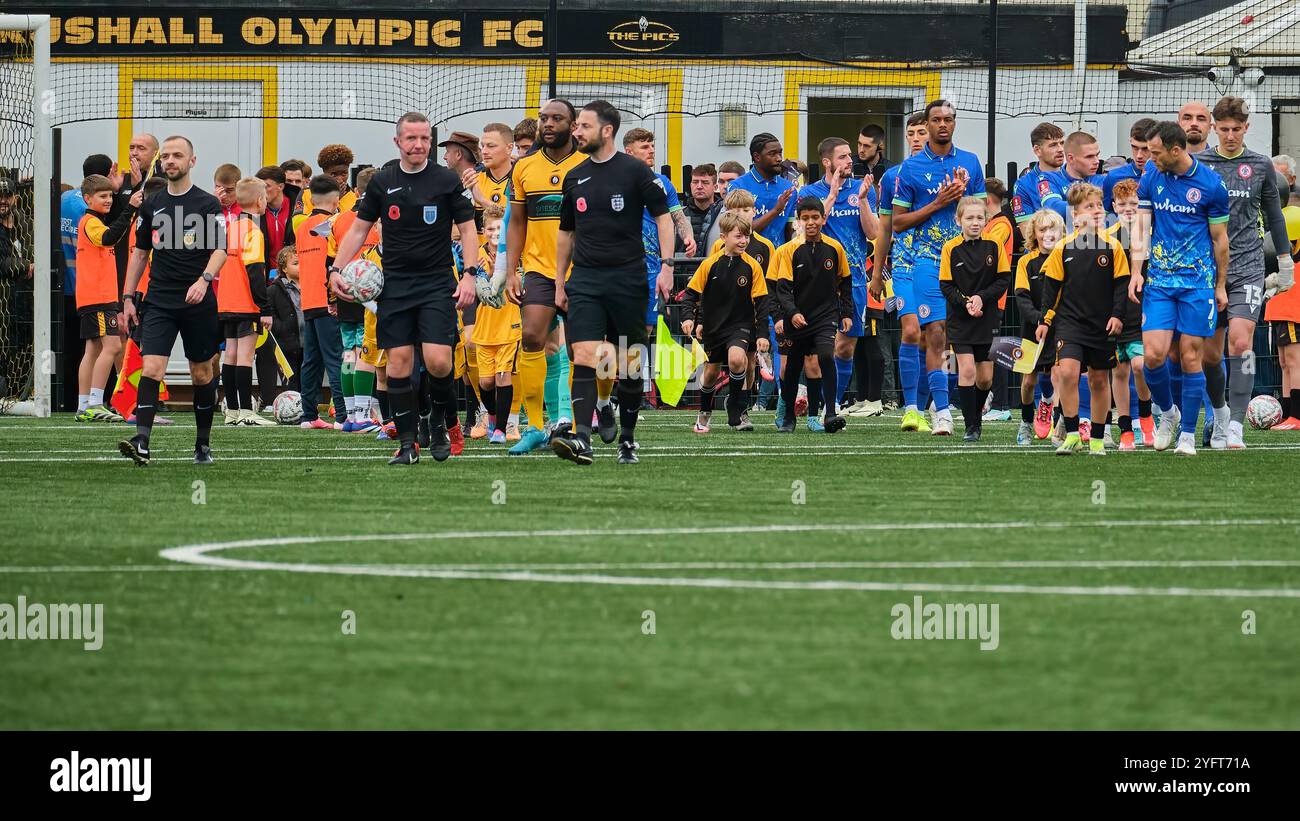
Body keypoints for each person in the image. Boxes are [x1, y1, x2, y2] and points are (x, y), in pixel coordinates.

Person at [330, 111, 479, 465]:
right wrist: (336, 268)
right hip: (394, 285)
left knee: (439, 362)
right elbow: (358, 230)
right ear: (398, 142)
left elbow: (470, 230)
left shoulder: (446, 180)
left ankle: (440, 421)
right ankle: (408, 444)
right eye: (411, 138)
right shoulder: (383, 182)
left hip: (436, 283)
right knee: (398, 364)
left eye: (425, 138)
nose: (419, 144)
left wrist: (470, 274)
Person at [549, 100, 672, 465]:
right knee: (585, 356)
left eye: (583, 126)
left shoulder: (635, 172)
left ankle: (628, 439)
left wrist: (666, 265)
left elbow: (663, 218)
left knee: (629, 362)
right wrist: (559, 280)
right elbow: (565, 233)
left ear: (606, 130)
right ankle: (582, 439)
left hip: (628, 279)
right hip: (585, 279)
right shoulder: (575, 176)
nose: (576, 131)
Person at [118, 135, 227, 466]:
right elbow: (139, 254)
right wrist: (128, 296)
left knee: (201, 375)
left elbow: (220, 250)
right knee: (152, 367)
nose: (170, 161)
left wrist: (204, 280)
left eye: (177, 155)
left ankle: (203, 445)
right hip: (160, 300)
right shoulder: (151, 204)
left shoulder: (208, 204)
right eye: (165, 156)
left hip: (197, 300)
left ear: (192, 161)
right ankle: (142, 442)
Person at [1195, 95, 1293, 450]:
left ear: (1246, 128)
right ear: (1214, 128)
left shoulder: (1261, 165)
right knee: (1209, 353)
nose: (1230, 135)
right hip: (1207, 270)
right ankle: (1219, 412)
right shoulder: (1198, 164)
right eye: (1224, 129)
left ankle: (1236, 424)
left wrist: (1285, 261)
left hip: (1249, 266)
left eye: (1237, 129)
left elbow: (1274, 214)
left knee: (1241, 342)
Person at [1131, 120, 1231, 456]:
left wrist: (1220, 286)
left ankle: (1187, 435)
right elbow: (1141, 229)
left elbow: (1220, 241)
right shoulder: (1150, 177)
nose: (1149, 157)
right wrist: (1136, 272)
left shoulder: (1211, 186)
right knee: (1153, 357)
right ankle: (1169, 414)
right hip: (1159, 281)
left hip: (1197, 284)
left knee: (1192, 356)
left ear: (1176, 150)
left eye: (1155, 152)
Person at [887, 99, 986, 436]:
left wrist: (962, 199)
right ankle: (933, 411)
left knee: (943, 338)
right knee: (931, 332)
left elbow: (980, 215)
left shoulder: (970, 163)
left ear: (954, 123)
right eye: (936, 120)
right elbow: (898, 222)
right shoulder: (910, 169)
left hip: (961, 262)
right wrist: (938, 202)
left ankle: (936, 409)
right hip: (923, 261)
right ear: (926, 125)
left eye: (949, 119)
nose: (943, 125)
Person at [504, 99, 587, 454]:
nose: (548, 124)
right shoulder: (524, 167)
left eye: (557, 119)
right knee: (533, 336)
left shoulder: (587, 165)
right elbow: (517, 221)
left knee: (581, 349)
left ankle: (573, 419)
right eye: (544, 119)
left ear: (573, 125)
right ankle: (536, 425)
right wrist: (511, 270)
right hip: (538, 268)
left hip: (582, 268)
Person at [1036, 183, 1131, 455]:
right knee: (1067, 373)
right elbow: (1051, 288)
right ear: (1075, 216)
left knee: (1099, 380)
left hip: (1101, 325)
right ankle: (1074, 432)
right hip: (1069, 324)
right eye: (1090, 206)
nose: (1098, 211)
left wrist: (1117, 316)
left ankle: (1098, 438)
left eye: (1100, 205)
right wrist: (1045, 321)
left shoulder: (1114, 247)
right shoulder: (1063, 248)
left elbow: (1121, 287)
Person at [799, 136, 879, 413]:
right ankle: (817, 402)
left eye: (849, 156)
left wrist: (865, 201)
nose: (850, 161)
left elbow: (874, 234)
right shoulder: (809, 194)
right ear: (827, 162)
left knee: (845, 347)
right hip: (817, 282)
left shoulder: (862, 189)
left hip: (854, 280)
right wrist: (831, 195)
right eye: (843, 157)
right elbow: (806, 233)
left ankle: (830, 404)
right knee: (821, 347)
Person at [681, 211, 769, 432]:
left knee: (738, 360)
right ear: (723, 237)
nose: (744, 241)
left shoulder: (752, 266)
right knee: (710, 373)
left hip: (740, 326)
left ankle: (736, 408)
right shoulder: (710, 264)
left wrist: (762, 334)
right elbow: (691, 294)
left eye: (746, 237)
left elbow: (762, 303)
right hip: (714, 327)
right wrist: (688, 319)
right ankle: (705, 413)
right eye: (738, 236)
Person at [771, 196, 853, 434]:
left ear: (824, 218)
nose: (810, 222)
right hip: (797, 319)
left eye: (815, 217)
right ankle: (788, 417)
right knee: (793, 367)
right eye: (805, 218)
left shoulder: (835, 248)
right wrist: (792, 313)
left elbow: (846, 282)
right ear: (798, 221)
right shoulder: (790, 251)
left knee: (826, 357)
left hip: (825, 317)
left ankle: (829, 414)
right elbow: (783, 289)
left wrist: (846, 313)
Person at [870, 112, 929, 423]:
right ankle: (911, 410)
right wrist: (877, 274)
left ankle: (928, 404)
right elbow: (885, 229)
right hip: (905, 264)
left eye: (922, 131)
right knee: (910, 330)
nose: (917, 138)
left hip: (938, 266)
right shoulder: (892, 176)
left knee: (932, 338)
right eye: (912, 133)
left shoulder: (950, 172)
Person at [939, 196, 1010, 441]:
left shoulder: (994, 246)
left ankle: (976, 416)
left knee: (985, 378)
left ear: (986, 219)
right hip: (960, 320)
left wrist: (981, 298)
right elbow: (946, 285)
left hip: (987, 318)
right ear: (958, 220)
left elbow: (1003, 280)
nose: (975, 222)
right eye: (969, 218)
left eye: (980, 217)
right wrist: (965, 302)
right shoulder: (950, 248)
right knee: (966, 369)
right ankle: (971, 427)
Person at [73, 174, 139, 421]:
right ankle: (95, 402)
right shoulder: (90, 222)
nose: (108, 200)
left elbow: (112, 232)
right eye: (103, 196)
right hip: (98, 296)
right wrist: (131, 207)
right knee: (112, 347)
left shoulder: (95, 221)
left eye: (110, 195)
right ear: (88, 198)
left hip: (95, 296)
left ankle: (83, 405)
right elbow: (109, 237)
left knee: (93, 349)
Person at [216, 177, 275, 426]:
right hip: (245, 303)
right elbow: (255, 271)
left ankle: (232, 410)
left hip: (226, 302)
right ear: (260, 201)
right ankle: (245, 412)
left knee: (230, 354)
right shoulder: (253, 231)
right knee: (245, 356)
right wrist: (265, 307)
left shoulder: (232, 227)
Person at [328, 166, 381, 433]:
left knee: (349, 351)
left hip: (345, 288)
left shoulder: (339, 220)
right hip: (370, 291)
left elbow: (331, 257)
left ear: (357, 191)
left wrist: (333, 292)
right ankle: (362, 414)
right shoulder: (378, 218)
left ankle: (349, 414)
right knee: (365, 351)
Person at [292, 174, 345, 430]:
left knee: (311, 360)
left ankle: (308, 415)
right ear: (336, 201)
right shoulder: (334, 224)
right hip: (328, 299)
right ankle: (345, 416)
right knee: (336, 357)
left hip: (309, 299)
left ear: (311, 200)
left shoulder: (302, 227)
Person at [1106, 179, 1155, 450]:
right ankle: (1125, 428)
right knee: (1119, 371)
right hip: (1115, 312)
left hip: (1143, 311)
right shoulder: (1107, 238)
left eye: (1134, 204)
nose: (1128, 209)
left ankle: (1146, 418)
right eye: (1123, 204)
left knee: (1140, 365)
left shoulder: (1149, 232)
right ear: (1113, 206)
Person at [472, 205, 525, 444]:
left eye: (500, 229)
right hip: (484, 328)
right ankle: (491, 417)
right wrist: (485, 276)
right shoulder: (476, 257)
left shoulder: (515, 254)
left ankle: (502, 429)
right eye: (491, 229)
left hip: (509, 326)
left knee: (504, 376)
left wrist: (502, 272)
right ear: (483, 231)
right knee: (486, 382)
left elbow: (521, 283)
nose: (495, 234)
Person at [1013, 208, 1066, 444]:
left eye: (1052, 229)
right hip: (1031, 329)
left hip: (1059, 327)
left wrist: (1051, 320)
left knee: (1058, 375)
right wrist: (1038, 319)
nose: (1047, 234)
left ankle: (1059, 423)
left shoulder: (1066, 257)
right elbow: (1021, 296)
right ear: (1034, 232)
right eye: (1042, 229)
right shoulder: (1026, 261)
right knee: (1028, 380)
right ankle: (1025, 421)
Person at [730, 133, 797, 248]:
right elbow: (740, 231)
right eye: (772, 154)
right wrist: (776, 210)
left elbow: (789, 231)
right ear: (757, 157)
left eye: (780, 152)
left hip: (777, 260)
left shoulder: (788, 188)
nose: (779, 158)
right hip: (746, 258)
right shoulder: (738, 187)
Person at [1013, 123, 1065, 230]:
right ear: (1037, 150)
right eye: (1053, 145)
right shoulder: (1023, 185)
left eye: (1062, 143)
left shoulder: (1075, 175)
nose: (1060, 149)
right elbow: (1026, 230)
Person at [268, 245, 304, 397]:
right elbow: (271, 314)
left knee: (308, 378)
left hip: (308, 342)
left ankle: (310, 408)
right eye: (295, 263)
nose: (300, 266)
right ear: (284, 268)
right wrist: (281, 328)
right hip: (287, 343)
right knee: (291, 381)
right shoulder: (274, 290)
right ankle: (292, 408)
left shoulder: (311, 286)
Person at [1045, 131, 1105, 221]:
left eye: (1097, 155)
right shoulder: (1049, 178)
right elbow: (1053, 208)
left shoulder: (1103, 180)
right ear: (1071, 158)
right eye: (1089, 157)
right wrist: (1091, 207)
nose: (1097, 161)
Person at [1102, 119, 1156, 212]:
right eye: (1134, 147)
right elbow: (1106, 215)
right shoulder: (1113, 177)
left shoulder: (1168, 176)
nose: (1139, 155)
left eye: (1145, 149)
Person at [297, 146, 355, 216]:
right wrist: (333, 199)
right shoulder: (306, 194)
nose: (340, 180)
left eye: (344, 173)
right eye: (334, 174)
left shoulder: (355, 197)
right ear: (324, 172)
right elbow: (298, 223)